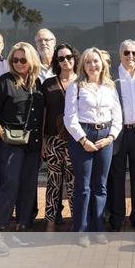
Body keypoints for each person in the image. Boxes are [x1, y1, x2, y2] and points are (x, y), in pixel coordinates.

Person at [0, 43, 46, 256]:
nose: (19, 63)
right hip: (11, 143)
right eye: (15, 60)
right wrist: (1, 132)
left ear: (31, 61)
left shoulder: (37, 83)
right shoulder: (5, 82)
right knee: (9, 184)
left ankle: (21, 228)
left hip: (33, 143)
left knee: (28, 186)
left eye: (23, 59)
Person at [64, 47, 122, 246]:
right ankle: (81, 231)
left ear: (102, 64)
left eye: (96, 61)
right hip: (83, 137)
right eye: (88, 62)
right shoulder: (76, 86)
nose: (92, 65)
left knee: (101, 186)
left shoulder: (110, 86)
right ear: (83, 65)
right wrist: (82, 140)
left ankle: (98, 229)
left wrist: (111, 137)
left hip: (105, 137)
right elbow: (69, 118)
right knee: (83, 186)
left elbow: (118, 116)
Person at [109, 39, 135, 232]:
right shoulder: (109, 77)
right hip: (117, 134)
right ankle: (116, 218)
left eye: (134, 53)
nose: (130, 56)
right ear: (120, 54)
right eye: (127, 53)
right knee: (116, 178)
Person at [40, 43, 78, 228]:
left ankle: (76, 222)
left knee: (74, 182)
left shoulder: (82, 82)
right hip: (53, 139)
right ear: (56, 61)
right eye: (61, 58)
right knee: (53, 182)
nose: (65, 61)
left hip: (76, 140)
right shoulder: (48, 84)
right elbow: (43, 114)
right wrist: (43, 143)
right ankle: (50, 221)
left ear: (74, 58)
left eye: (68, 57)